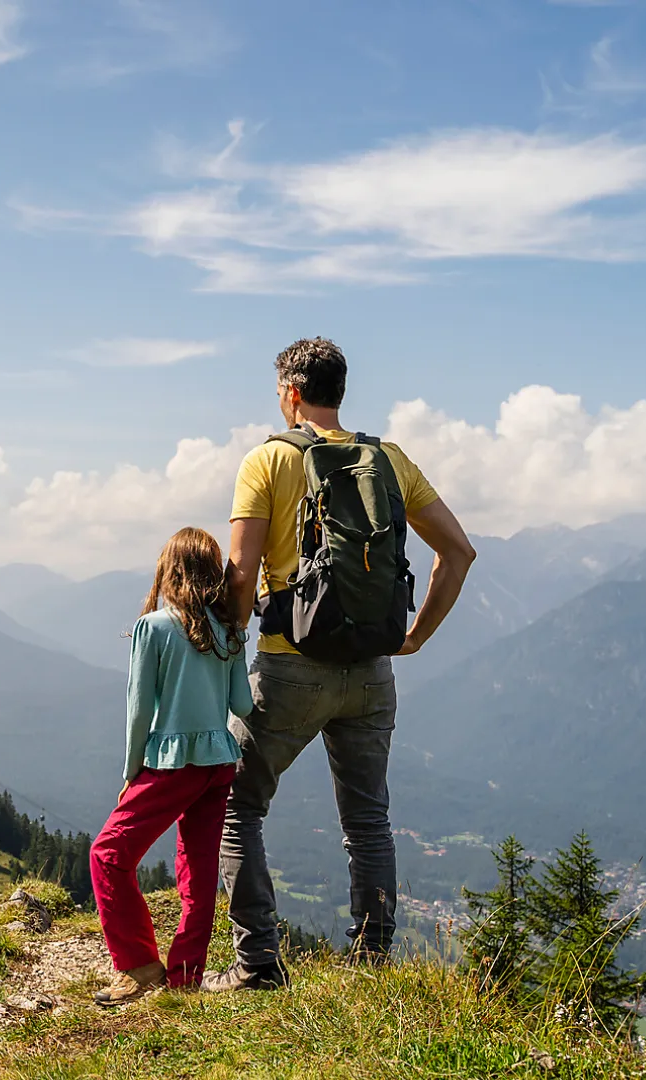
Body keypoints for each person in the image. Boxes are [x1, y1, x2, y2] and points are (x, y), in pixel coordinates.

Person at [206, 337, 476, 992]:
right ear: (340, 391)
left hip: (289, 666)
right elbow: (459, 552)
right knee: (368, 820)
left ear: (291, 394)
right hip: (372, 670)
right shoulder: (389, 459)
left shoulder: (267, 460)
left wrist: (224, 651)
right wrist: (415, 637)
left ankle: (259, 966)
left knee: (235, 804)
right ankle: (372, 965)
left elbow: (242, 575)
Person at [90, 526, 255, 1007]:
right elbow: (242, 704)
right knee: (198, 871)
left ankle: (138, 967)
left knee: (107, 855)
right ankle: (184, 978)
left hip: (171, 763)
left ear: (170, 570)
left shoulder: (155, 627)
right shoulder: (229, 631)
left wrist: (131, 772)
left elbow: (139, 709)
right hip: (219, 762)